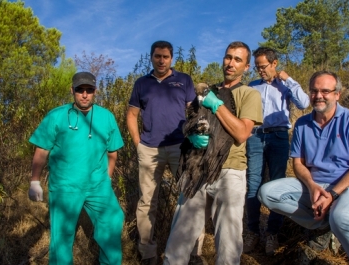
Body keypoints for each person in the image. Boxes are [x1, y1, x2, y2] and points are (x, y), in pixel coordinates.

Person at [258, 71, 349, 265]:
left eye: (325, 91)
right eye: (314, 91)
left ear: (337, 94)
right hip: (317, 186)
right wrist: (311, 185)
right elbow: (298, 163)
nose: (319, 96)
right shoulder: (302, 124)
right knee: (267, 193)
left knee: (342, 217)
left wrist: (332, 194)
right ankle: (324, 221)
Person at [163, 41, 263, 265]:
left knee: (228, 244)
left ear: (246, 67)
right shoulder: (207, 92)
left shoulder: (249, 94)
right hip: (198, 168)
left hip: (230, 172)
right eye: (228, 57)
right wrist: (190, 136)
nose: (231, 63)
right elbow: (190, 123)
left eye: (238, 60)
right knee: (179, 239)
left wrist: (216, 105)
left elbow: (241, 133)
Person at [28, 72, 125, 265]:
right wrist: (34, 181)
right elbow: (41, 150)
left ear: (95, 91)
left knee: (113, 220)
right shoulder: (56, 116)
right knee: (62, 237)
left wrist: (107, 179)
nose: (84, 94)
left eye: (89, 90)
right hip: (65, 186)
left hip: (98, 185)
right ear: (72, 90)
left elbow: (112, 152)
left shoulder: (106, 117)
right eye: (80, 90)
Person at [126, 40, 205, 265]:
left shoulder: (184, 80)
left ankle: (193, 253)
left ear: (171, 59)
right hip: (150, 149)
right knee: (147, 202)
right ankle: (148, 254)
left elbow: (194, 112)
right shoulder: (142, 83)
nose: (161, 60)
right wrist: (137, 143)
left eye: (165, 57)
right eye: (157, 56)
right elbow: (131, 114)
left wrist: (195, 137)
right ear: (151, 57)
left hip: (180, 147)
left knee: (192, 197)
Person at [244, 47, 310, 255]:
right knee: (253, 182)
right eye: (257, 67)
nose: (260, 71)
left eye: (263, 66)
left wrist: (288, 79)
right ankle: (252, 231)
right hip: (255, 136)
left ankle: (272, 233)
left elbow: (304, 103)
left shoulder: (285, 86)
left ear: (274, 63)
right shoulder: (252, 86)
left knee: (277, 183)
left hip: (279, 137)